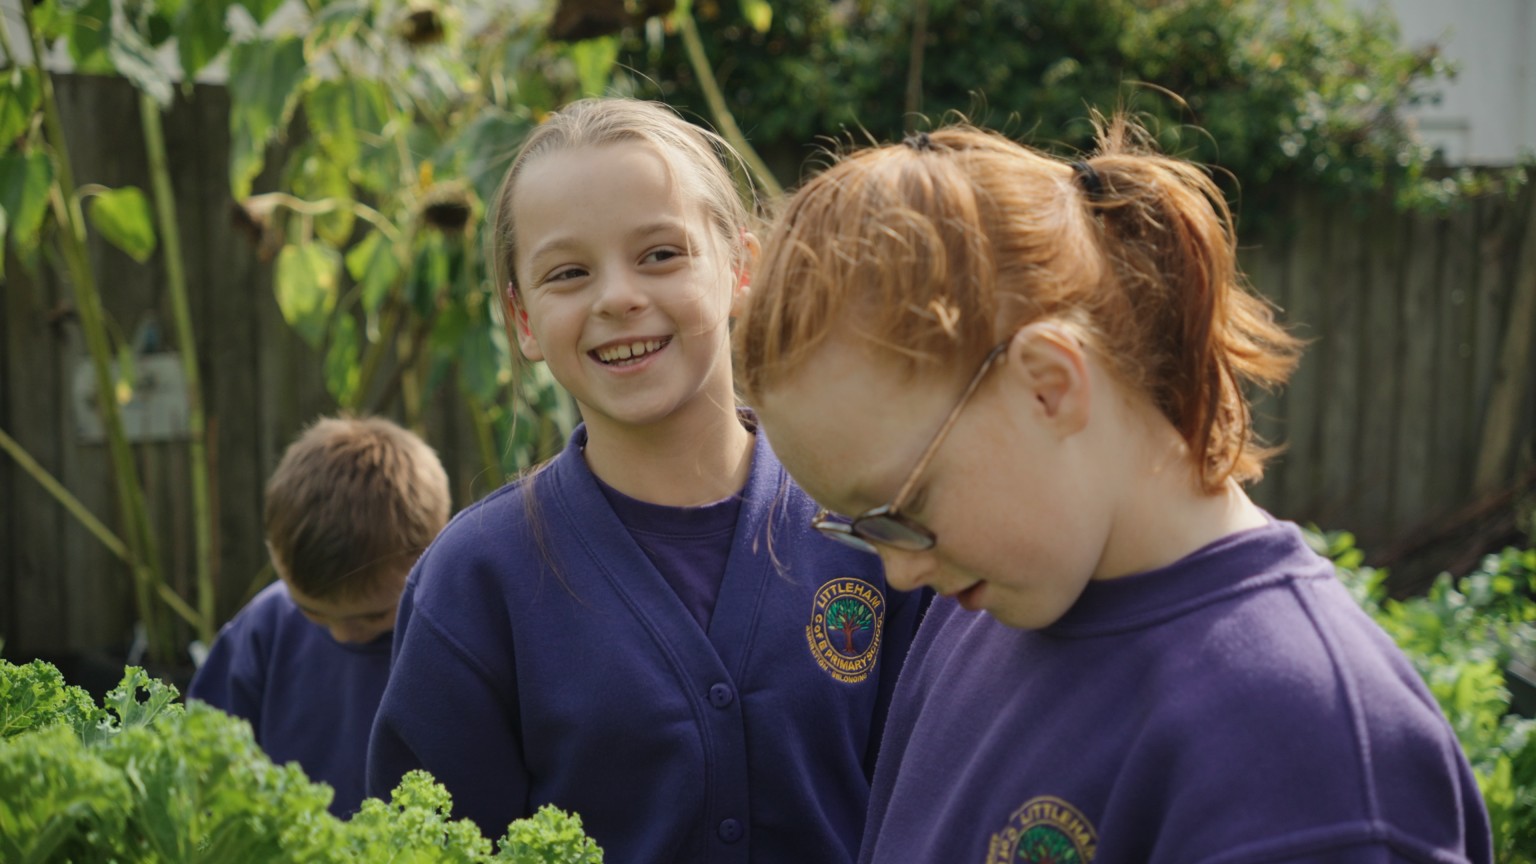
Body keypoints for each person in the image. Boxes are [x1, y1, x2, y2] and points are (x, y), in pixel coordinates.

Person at [734, 119, 1493, 864]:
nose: (900, 572)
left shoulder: (1313, 757)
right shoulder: (981, 610)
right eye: (862, 528)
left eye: (905, 508)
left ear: (1049, 386)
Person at [365, 97, 924, 862]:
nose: (618, 298)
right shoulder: (472, 584)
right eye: (568, 273)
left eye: (661, 254)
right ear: (523, 320)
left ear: (742, 268)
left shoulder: (875, 525)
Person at [188, 415, 451, 818]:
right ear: (275, 555)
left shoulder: (452, 637)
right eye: (312, 611)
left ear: (435, 553)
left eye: (372, 616)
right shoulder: (263, 630)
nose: (343, 634)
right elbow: (202, 759)